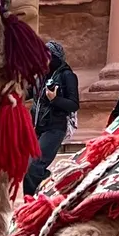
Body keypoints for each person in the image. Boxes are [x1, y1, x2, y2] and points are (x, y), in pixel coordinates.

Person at [25, 39, 79, 197]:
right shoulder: (40, 77)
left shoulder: (67, 76)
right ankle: (35, 199)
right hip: (37, 128)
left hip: (55, 128)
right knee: (27, 168)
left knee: (34, 167)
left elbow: (73, 104)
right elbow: (28, 93)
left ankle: (44, 194)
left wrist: (54, 99)